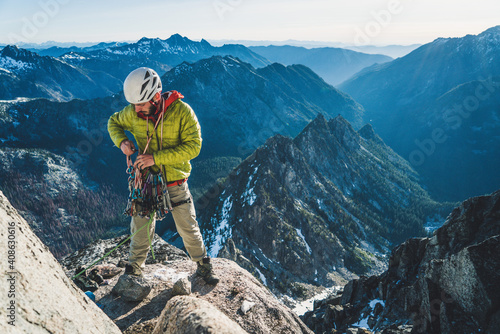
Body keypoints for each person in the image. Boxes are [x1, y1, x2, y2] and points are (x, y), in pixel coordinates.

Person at [107, 67, 219, 285]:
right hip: (147, 182)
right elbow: (114, 121)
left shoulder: (182, 112)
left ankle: (204, 266)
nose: (136, 109)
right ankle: (133, 269)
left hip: (175, 181)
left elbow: (194, 147)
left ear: (156, 97)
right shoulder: (134, 112)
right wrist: (122, 142)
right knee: (140, 225)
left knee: (187, 225)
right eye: (134, 104)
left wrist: (155, 158)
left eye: (140, 104)